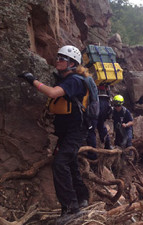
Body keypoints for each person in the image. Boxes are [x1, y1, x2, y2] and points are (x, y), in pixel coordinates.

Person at [18, 45, 89, 219]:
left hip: (75, 131)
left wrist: (32, 80)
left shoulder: (75, 80)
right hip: (66, 131)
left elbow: (52, 93)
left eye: (62, 59)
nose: (58, 61)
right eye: (58, 58)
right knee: (70, 163)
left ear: (72, 63)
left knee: (60, 163)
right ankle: (82, 198)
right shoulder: (66, 78)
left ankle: (71, 209)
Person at [86, 85, 113, 155]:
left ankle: (92, 155)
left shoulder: (91, 77)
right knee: (101, 126)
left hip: (95, 103)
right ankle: (108, 146)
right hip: (105, 102)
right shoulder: (105, 79)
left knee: (91, 130)